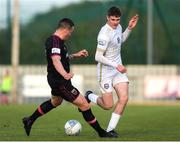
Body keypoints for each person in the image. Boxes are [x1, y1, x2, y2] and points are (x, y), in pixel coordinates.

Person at [22, 18, 116, 138]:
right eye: (71, 31)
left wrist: (75, 55)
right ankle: (102, 133)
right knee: (84, 105)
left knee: (55, 102)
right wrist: (65, 74)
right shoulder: (55, 41)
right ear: (66, 29)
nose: (70, 34)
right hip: (60, 81)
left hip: (55, 79)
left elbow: (61, 58)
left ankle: (29, 120)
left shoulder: (57, 42)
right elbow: (56, 60)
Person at [84, 6, 139, 137]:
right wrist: (116, 65)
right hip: (106, 72)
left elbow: (120, 40)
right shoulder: (104, 34)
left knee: (124, 98)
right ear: (107, 18)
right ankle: (89, 96)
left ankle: (109, 130)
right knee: (108, 105)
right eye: (113, 19)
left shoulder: (119, 27)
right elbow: (98, 57)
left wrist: (129, 28)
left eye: (118, 19)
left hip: (117, 70)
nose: (115, 22)